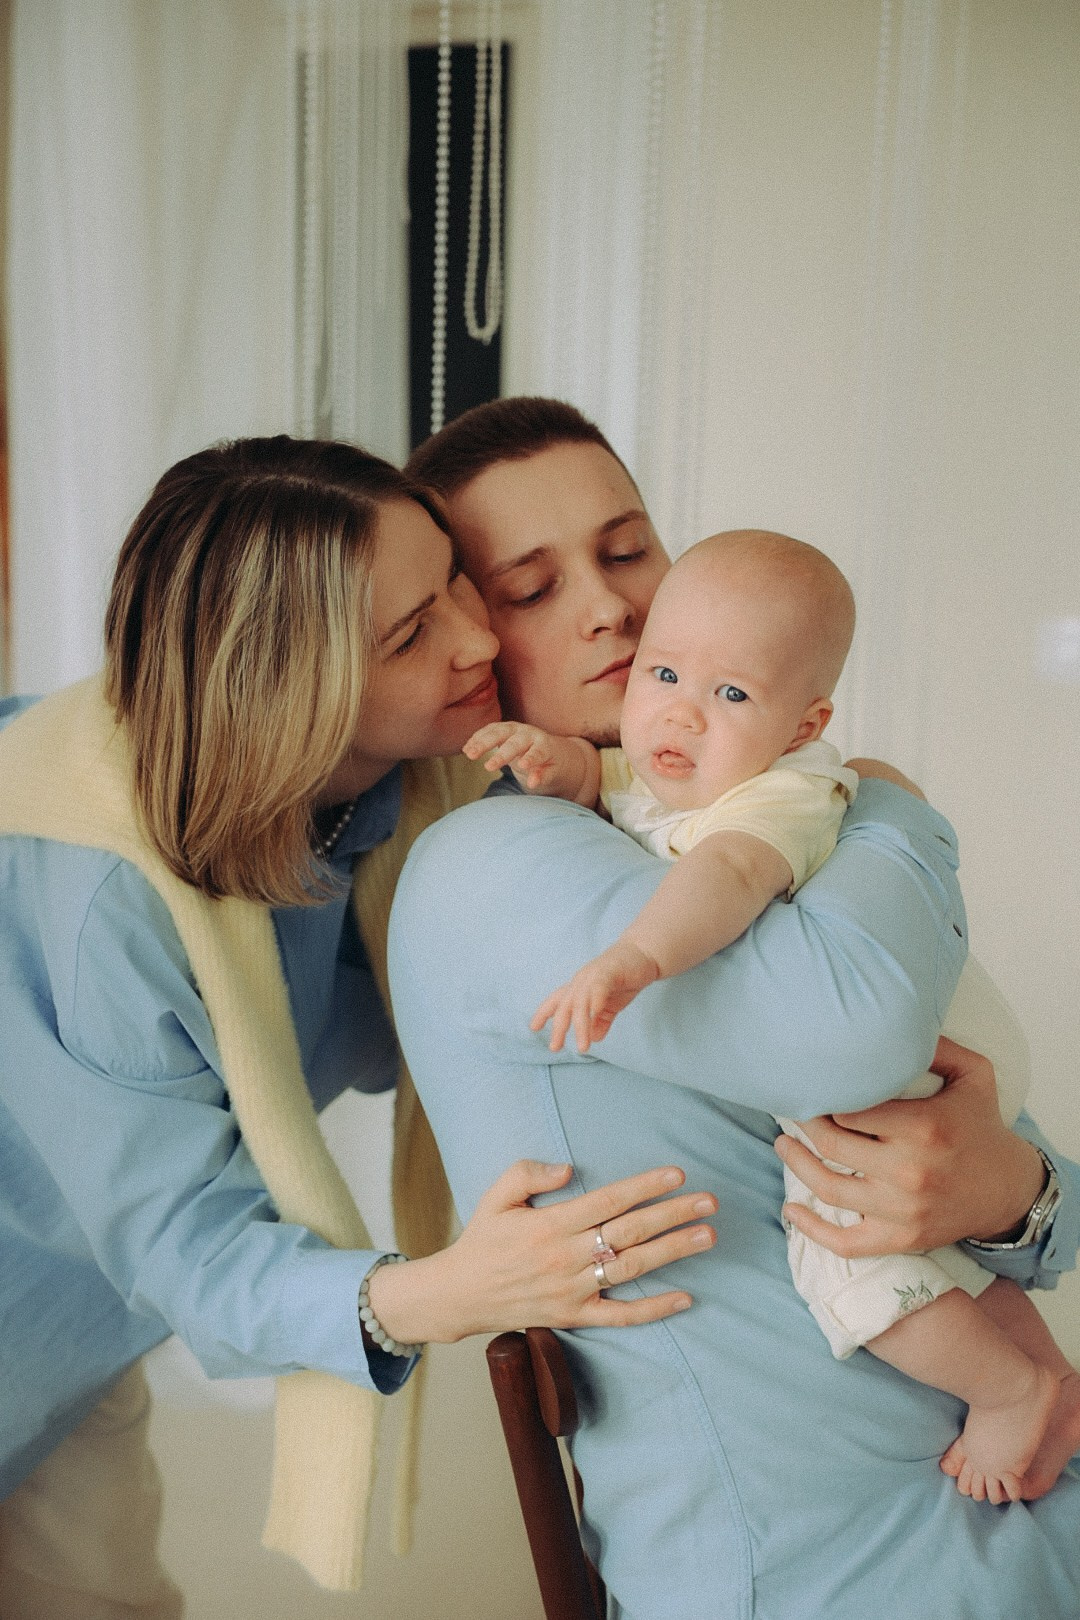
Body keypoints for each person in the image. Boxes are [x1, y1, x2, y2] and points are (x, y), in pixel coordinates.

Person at [0, 436, 723, 1620]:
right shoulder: (98, 902)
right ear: (284, 684)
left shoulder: (405, 785)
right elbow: (190, 1252)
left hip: (84, 1323)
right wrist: (454, 1287)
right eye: (411, 633)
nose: (478, 636)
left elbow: (684, 810)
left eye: (455, 579)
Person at [395, 398, 1080, 1618]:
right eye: (533, 585)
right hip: (846, 1565)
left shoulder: (696, 816)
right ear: (465, 637)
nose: (608, 607)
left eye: (625, 552)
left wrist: (1016, 1194)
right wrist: (889, 803)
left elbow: (1000, 1164)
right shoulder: (495, 865)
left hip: (999, 1495)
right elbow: (859, 1031)